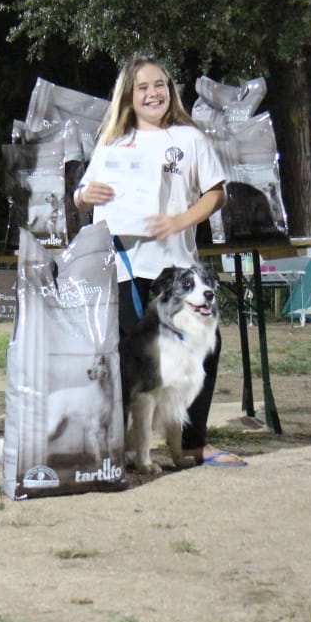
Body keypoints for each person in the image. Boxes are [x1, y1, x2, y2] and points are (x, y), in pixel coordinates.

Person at [74, 58, 245, 468]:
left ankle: (191, 444)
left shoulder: (189, 138)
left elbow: (216, 193)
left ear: (171, 90)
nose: (152, 94)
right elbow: (82, 194)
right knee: (130, 366)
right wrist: (85, 196)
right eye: (142, 87)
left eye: (160, 85)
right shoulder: (113, 142)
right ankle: (120, 449)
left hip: (175, 270)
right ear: (128, 97)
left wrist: (178, 221)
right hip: (124, 268)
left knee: (202, 351)